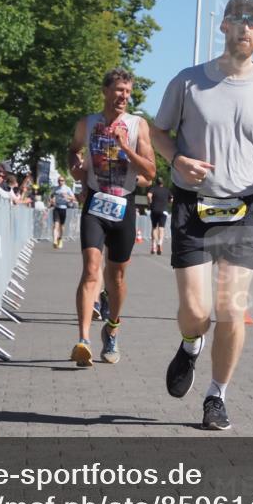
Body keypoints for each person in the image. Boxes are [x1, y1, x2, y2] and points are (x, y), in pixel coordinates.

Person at [150, 0, 253, 430]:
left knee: (232, 310)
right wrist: (177, 159)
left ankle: (216, 396)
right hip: (193, 206)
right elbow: (157, 132)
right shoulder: (188, 81)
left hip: (245, 208)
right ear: (223, 26)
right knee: (196, 312)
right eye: (237, 19)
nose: (245, 27)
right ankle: (190, 344)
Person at [68, 68, 156, 367]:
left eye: (128, 92)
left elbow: (150, 172)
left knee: (116, 277)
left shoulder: (137, 125)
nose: (124, 96)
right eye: (119, 90)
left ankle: (112, 328)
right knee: (91, 270)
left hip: (124, 205)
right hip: (95, 202)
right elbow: (73, 151)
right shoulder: (87, 123)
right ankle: (83, 340)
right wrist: (77, 170)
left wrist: (125, 146)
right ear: (106, 91)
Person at [147, 177, 172, 255]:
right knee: (161, 228)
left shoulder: (153, 189)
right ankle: (160, 243)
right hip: (164, 211)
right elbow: (171, 199)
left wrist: (150, 203)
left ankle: (153, 246)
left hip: (154, 209)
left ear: (156, 182)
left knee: (154, 227)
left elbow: (149, 195)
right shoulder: (167, 190)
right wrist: (167, 203)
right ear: (163, 183)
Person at [51, 177, 77, 249]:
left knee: (61, 226)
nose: (60, 182)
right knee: (56, 225)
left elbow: (74, 198)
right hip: (56, 208)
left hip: (64, 208)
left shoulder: (67, 189)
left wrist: (67, 196)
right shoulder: (55, 188)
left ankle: (60, 238)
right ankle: (55, 240)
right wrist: (52, 200)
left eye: (62, 180)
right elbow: (51, 195)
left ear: (64, 181)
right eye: (59, 180)